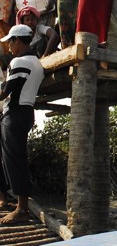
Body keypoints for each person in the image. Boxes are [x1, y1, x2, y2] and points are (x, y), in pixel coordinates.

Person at [0, 24, 44, 224]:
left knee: (13, 159)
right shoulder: (35, 61)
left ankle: (21, 208)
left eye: (11, 41)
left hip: (15, 114)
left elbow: (5, 92)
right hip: (25, 112)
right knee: (15, 158)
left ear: (18, 41)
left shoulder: (19, 62)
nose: (9, 45)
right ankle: (20, 204)